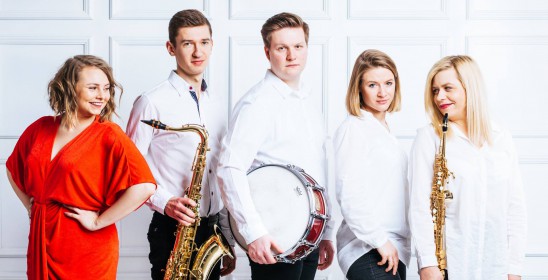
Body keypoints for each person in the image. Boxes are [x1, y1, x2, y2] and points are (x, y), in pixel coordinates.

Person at [5, 54, 156, 279]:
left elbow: (144, 187)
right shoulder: (40, 128)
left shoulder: (109, 134)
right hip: (41, 238)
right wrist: (31, 205)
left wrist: (98, 221)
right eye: (93, 88)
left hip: (86, 246)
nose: (102, 96)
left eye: (106, 88)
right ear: (69, 88)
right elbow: (12, 168)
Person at [217, 12, 335, 280]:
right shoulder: (257, 103)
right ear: (267, 51)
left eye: (298, 46)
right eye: (282, 48)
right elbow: (229, 168)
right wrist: (254, 232)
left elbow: (318, 171)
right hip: (273, 237)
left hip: (307, 235)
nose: (292, 55)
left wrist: (325, 232)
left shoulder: (307, 103)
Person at [125, 9, 236, 280]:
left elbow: (220, 171)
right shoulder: (151, 102)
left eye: (204, 42)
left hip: (211, 230)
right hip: (171, 229)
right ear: (171, 48)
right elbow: (129, 170)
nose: (198, 52)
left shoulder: (218, 103)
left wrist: (227, 235)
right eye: (188, 43)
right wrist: (165, 202)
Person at [409, 55, 527, 280]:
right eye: (435, 90)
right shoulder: (429, 138)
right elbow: (419, 206)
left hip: (496, 267)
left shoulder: (502, 138)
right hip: (451, 266)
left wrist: (514, 268)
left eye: (447, 88)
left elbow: (515, 208)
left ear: (469, 88)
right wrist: (428, 264)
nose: (439, 97)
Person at [333, 49, 411, 280]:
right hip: (368, 247)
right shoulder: (354, 128)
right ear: (358, 87)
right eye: (372, 85)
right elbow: (349, 193)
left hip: (393, 246)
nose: (382, 93)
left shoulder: (384, 131)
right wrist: (380, 241)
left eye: (388, 83)